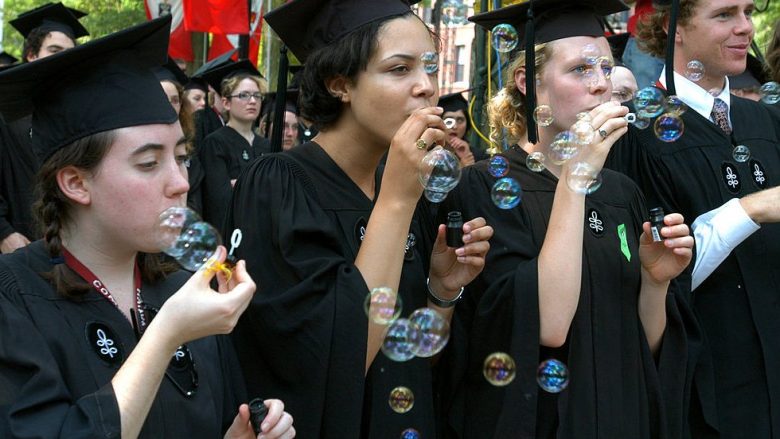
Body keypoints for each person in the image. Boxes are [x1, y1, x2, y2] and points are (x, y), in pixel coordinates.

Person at [0, 16, 295, 439]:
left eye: (180, 156)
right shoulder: (13, 300)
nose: (180, 183)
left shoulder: (184, 289)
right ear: (76, 183)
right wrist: (166, 333)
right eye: (148, 163)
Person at [224, 0, 494, 437]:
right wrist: (396, 201)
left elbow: (412, 362)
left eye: (428, 67)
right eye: (399, 69)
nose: (426, 87)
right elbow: (331, 367)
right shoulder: (279, 185)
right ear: (339, 84)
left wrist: (442, 293)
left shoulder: (405, 188)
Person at [438, 1, 695, 438]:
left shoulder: (621, 192)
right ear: (528, 83)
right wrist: (577, 175)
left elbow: (647, 345)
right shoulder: (481, 188)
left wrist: (655, 284)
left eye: (606, 69)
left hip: (625, 417)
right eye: (580, 70)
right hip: (543, 422)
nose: (601, 86)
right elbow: (549, 327)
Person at [608, 0, 780, 436]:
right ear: (673, 28)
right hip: (704, 391)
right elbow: (653, 275)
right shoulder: (636, 138)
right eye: (724, 15)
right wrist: (748, 209)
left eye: (747, 11)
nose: (745, 28)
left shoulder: (768, 121)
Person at [0, 2, 88, 254]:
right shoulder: (5, 108)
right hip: (17, 245)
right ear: (31, 54)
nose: (61, 59)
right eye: (54, 50)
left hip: (69, 247)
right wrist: (3, 233)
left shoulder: (78, 113)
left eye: (68, 52)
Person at [199, 59, 271, 230]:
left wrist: (240, 185)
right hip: (230, 235)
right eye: (244, 95)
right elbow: (220, 200)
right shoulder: (215, 143)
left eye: (257, 95)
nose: (252, 101)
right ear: (226, 103)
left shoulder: (267, 146)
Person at [439, 91, 480, 165]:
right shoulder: (429, 155)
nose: (454, 126)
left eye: (460, 120)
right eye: (448, 121)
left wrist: (467, 157)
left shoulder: (479, 157)